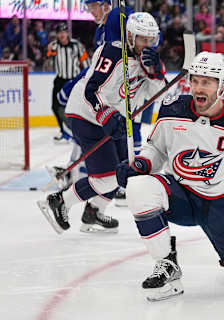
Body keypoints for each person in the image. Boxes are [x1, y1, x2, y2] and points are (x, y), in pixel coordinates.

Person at [115, 51, 224, 301]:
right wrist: (141, 162)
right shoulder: (172, 109)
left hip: (222, 206)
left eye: (207, 82)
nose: (199, 87)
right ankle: (167, 265)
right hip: (181, 195)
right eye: (195, 80)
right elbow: (156, 148)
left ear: (221, 86)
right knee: (139, 187)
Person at [37, 12, 166, 234]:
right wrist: (106, 114)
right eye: (143, 39)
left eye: (151, 40)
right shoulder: (113, 53)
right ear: (130, 37)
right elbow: (91, 90)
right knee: (106, 178)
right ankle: (59, 202)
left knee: (122, 172)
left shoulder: (147, 61)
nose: (147, 45)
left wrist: (156, 73)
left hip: (110, 118)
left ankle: (93, 213)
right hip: (86, 114)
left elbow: (161, 96)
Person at [46, 23, 90, 143]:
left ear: (67, 33)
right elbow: (49, 61)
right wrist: (49, 51)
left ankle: (75, 132)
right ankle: (64, 132)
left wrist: (87, 77)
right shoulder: (54, 46)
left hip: (73, 81)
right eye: (59, 32)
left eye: (64, 32)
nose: (61, 34)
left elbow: (85, 62)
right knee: (55, 107)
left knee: (74, 108)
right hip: (60, 80)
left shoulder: (77, 46)